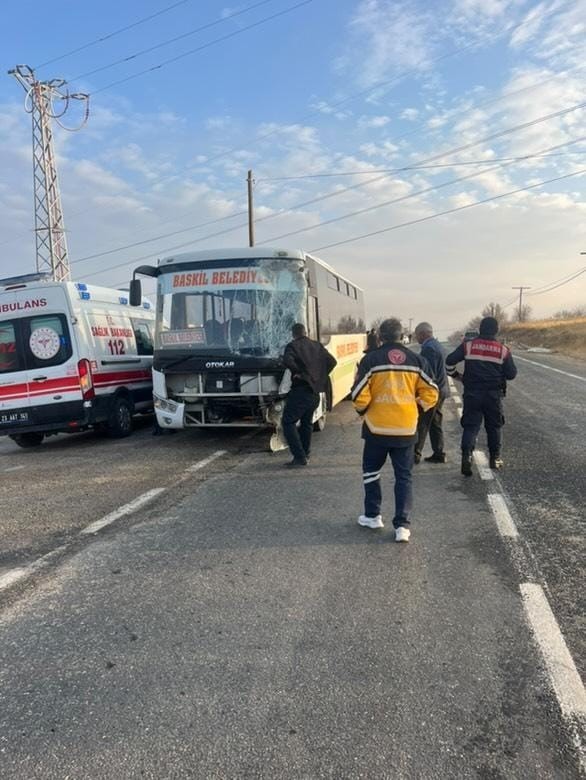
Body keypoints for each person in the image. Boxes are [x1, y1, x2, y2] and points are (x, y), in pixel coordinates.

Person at [351, 318, 439, 542]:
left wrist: (364, 412)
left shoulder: (370, 360)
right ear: (403, 337)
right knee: (404, 477)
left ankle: (373, 516)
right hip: (406, 429)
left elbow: (359, 395)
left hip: (376, 429)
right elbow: (432, 392)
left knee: (371, 471)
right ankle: (402, 526)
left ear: (380, 337)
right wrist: (415, 408)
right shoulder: (417, 360)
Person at [446, 316, 517, 476]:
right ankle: (495, 459)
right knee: (494, 427)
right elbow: (512, 374)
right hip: (493, 395)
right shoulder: (503, 350)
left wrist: (457, 376)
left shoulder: (468, 346)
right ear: (496, 330)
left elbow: (449, 361)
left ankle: (467, 456)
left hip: (472, 393)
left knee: (471, 426)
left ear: (480, 329)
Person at [282, 323, 337, 467]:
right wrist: (319, 377)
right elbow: (332, 361)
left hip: (301, 391)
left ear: (293, 334)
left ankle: (299, 456)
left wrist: (299, 373)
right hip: (315, 392)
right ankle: (305, 454)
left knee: (288, 422)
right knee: (307, 423)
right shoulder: (317, 345)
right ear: (305, 332)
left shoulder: (292, 346)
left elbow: (287, 361)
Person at [413, 321, 449, 464]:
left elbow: (428, 374)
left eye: (417, 336)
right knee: (435, 422)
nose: (417, 339)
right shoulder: (437, 345)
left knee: (423, 422)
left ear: (423, 334)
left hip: (434, 392)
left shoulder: (429, 349)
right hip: (442, 389)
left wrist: (419, 392)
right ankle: (439, 453)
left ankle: (415, 454)